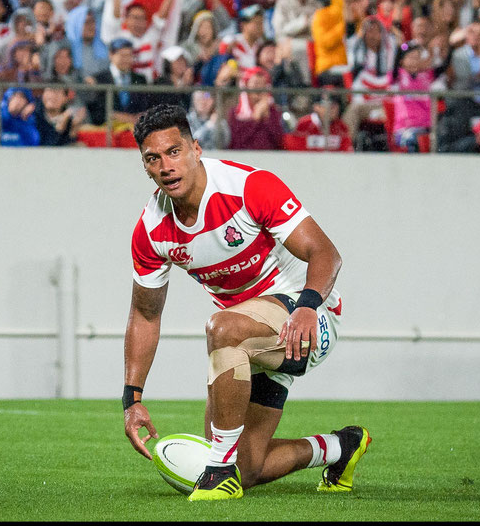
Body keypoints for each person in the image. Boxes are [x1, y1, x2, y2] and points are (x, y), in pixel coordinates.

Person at [123, 103, 369, 501]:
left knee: (223, 329)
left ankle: (219, 475)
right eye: (153, 159)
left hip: (309, 315)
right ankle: (340, 446)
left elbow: (325, 253)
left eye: (173, 151)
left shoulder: (248, 187)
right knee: (248, 467)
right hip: (249, 340)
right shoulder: (152, 229)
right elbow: (145, 314)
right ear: (146, 167)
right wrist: (132, 399)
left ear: (195, 149)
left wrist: (307, 305)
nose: (166, 166)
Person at [85, 37, 150, 127]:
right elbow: (96, 111)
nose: (127, 59)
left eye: (130, 55)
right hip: (108, 132)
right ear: (111, 55)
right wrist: (116, 116)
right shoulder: (98, 79)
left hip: (134, 131)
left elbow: (145, 106)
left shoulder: (140, 79)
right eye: (123, 55)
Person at [227, 66, 285, 150]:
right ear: (247, 86)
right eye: (255, 84)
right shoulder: (235, 113)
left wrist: (266, 117)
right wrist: (256, 118)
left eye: (262, 84)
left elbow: (278, 140)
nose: (258, 88)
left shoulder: (274, 112)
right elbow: (238, 141)